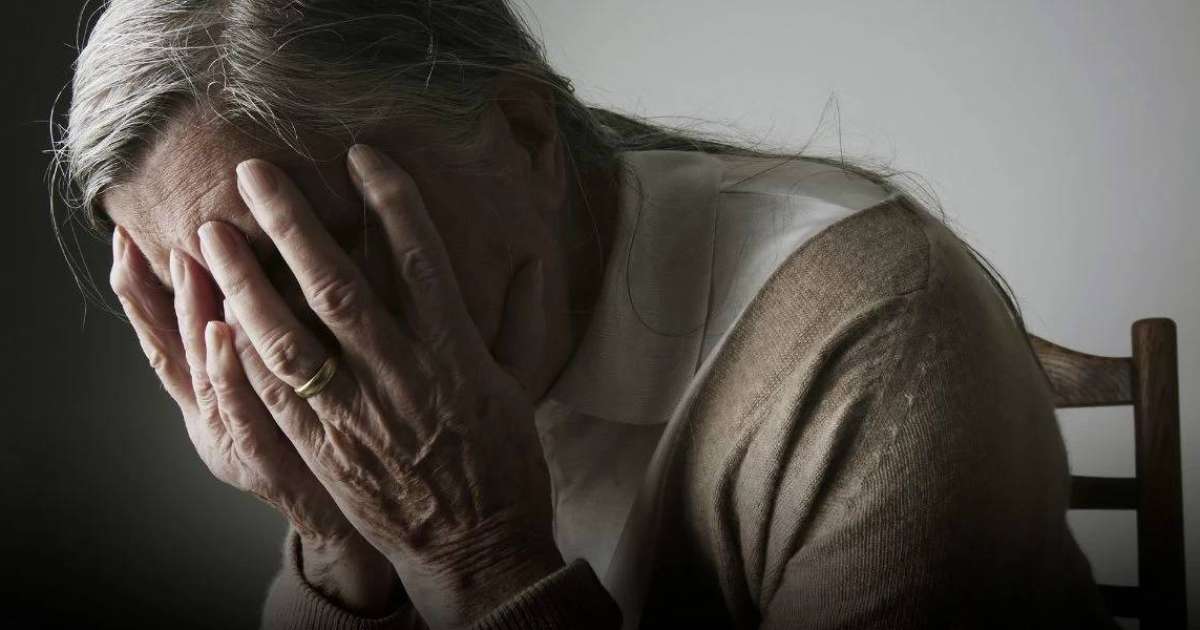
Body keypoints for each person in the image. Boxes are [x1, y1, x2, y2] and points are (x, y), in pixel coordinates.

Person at [55, 1, 1118, 628]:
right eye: (211, 292)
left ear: (522, 135)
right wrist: (340, 549)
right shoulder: (392, 387)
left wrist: (477, 559)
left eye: (314, 249)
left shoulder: (876, 338)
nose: (283, 357)